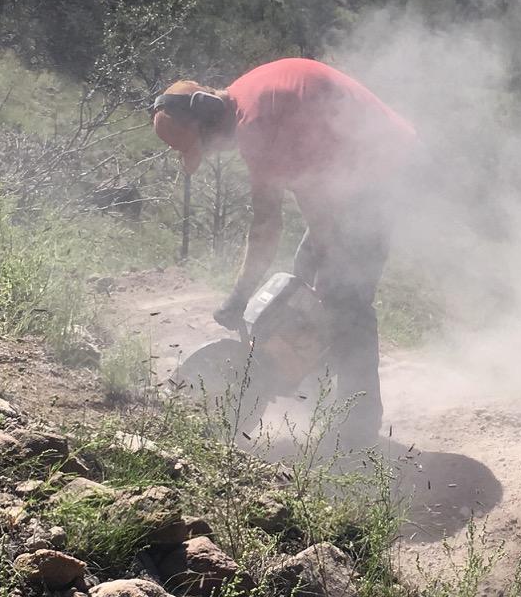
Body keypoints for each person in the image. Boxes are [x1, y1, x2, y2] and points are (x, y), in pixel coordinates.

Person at [152, 58, 415, 447]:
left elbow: (265, 226)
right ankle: (316, 391)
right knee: (305, 278)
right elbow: (315, 183)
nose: (215, 153)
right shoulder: (245, 94)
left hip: (381, 170)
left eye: (205, 146)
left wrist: (240, 295)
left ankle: (358, 425)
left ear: (207, 117)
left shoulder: (255, 126)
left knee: (346, 298)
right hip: (351, 171)